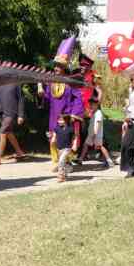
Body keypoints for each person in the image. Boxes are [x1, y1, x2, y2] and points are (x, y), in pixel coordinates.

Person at [39, 37, 84, 172]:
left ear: (64, 68)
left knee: (64, 141)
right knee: (52, 140)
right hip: (54, 116)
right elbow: (47, 98)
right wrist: (41, 94)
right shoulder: (51, 82)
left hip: (65, 117)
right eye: (55, 66)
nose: (56, 68)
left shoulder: (70, 83)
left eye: (59, 66)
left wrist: (74, 114)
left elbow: (78, 98)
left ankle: (66, 163)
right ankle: (57, 162)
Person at [0, 84, 27, 164]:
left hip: (12, 112)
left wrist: (21, 115)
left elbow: (21, 99)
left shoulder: (16, 84)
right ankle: (19, 152)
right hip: (2, 113)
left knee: (3, 131)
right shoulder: (2, 84)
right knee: (8, 133)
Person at [79, 97, 115, 168]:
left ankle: (109, 161)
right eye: (90, 104)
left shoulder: (98, 113)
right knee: (85, 145)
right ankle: (80, 159)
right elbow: (86, 116)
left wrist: (95, 134)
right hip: (91, 134)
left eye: (92, 104)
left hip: (96, 134)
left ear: (97, 105)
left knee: (101, 146)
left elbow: (97, 124)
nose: (90, 106)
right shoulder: (94, 113)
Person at [51, 114, 78, 182]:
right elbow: (54, 135)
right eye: (58, 120)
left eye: (61, 120)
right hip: (59, 148)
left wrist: (74, 144)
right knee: (63, 162)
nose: (59, 122)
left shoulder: (70, 129)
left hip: (67, 148)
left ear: (66, 120)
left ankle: (61, 176)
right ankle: (66, 171)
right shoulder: (57, 128)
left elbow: (75, 137)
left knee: (61, 161)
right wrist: (53, 139)